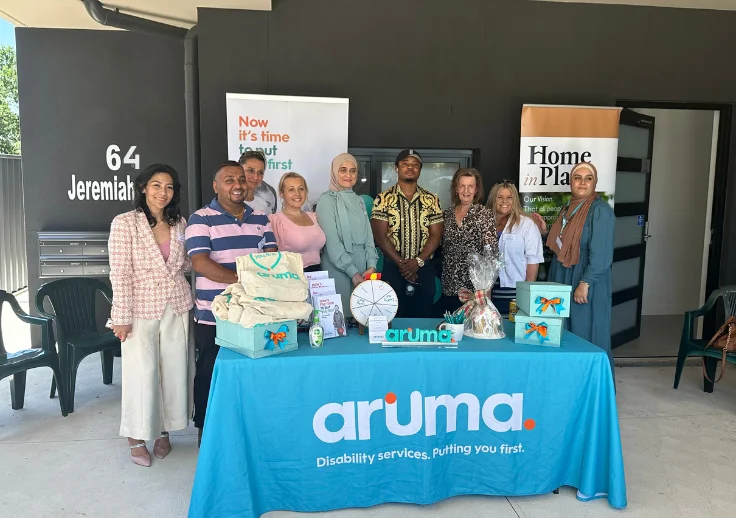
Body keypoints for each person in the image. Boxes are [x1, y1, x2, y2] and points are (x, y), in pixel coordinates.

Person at [185, 161, 277, 445]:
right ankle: (206, 431)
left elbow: (271, 257)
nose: (237, 184)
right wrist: (245, 281)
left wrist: (257, 283)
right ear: (216, 186)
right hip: (215, 315)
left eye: (241, 179)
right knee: (210, 373)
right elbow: (200, 262)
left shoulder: (261, 218)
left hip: (254, 313)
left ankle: (247, 429)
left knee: (252, 372)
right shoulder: (201, 218)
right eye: (229, 180)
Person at [108, 164, 194, 467]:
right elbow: (119, 273)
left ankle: (162, 430)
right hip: (139, 309)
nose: (163, 192)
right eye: (157, 185)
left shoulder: (180, 223)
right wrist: (121, 315)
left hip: (177, 305)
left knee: (172, 372)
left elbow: (183, 265)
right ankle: (135, 436)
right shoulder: (124, 223)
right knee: (141, 374)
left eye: (169, 187)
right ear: (144, 188)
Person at [536, 162, 615, 373]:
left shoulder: (600, 210)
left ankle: (592, 390)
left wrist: (585, 282)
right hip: (563, 275)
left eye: (588, 178)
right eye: (577, 177)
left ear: (595, 182)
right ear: (570, 181)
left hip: (585, 280)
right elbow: (563, 243)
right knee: (564, 332)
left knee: (586, 333)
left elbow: (602, 253)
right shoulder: (569, 207)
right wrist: (546, 231)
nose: (582, 182)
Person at [371, 149, 444, 318]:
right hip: (393, 269)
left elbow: (436, 234)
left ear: (420, 169)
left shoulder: (431, 199)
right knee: (393, 318)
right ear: (396, 167)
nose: (410, 168)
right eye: (405, 164)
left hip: (423, 269)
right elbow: (380, 236)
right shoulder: (383, 199)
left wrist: (417, 262)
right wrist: (403, 264)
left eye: (415, 164)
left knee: (423, 317)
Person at [316, 153, 378, 317]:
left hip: (363, 266)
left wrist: (371, 265)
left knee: (363, 319)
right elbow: (332, 242)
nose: (348, 175)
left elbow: (368, 235)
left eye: (353, 171)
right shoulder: (326, 200)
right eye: (343, 170)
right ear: (335, 172)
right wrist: (352, 272)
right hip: (338, 266)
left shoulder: (358, 200)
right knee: (340, 319)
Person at [439, 168, 498, 314]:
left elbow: (491, 255)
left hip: (475, 290)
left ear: (476, 189)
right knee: (451, 331)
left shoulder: (484, 214)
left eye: (470, 186)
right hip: (449, 286)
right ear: (456, 189)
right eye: (462, 186)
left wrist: (486, 293)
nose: (466, 190)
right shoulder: (446, 214)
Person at [487, 180, 544, 314]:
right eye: (500, 197)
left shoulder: (527, 224)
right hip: (488, 291)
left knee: (512, 328)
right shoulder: (485, 222)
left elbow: (533, 260)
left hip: (515, 290)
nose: (504, 201)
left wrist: (526, 293)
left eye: (509, 197)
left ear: (515, 200)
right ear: (493, 199)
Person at [269, 172, 326, 272]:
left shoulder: (314, 217)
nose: (297, 194)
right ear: (282, 194)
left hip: (318, 275)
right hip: (292, 276)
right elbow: (273, 258)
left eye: (301, 189)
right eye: (291, 189)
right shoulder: (276, 221)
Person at [238, 150, 278, 214]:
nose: (256, 177)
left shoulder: (264, 206)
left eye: (260, 172)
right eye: (251, 171)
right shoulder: (227, 205)